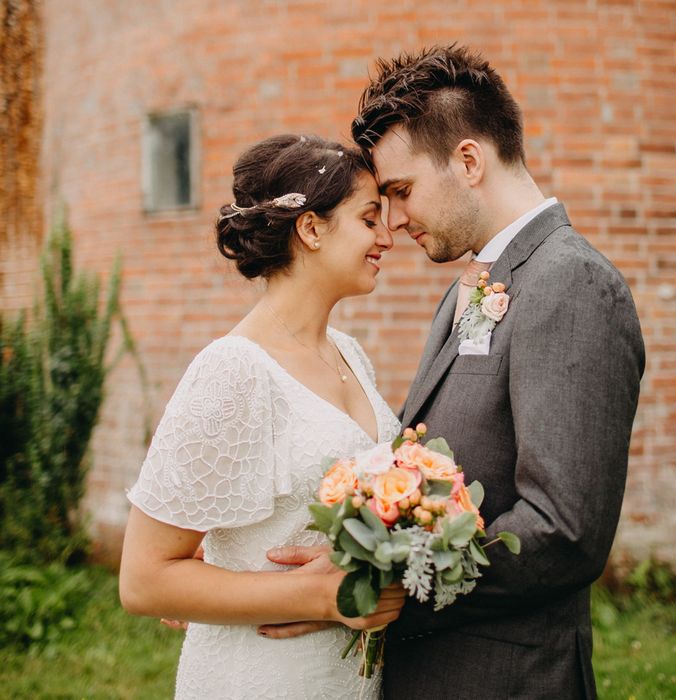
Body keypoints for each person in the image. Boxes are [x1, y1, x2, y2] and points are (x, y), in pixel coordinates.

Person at [260, 46, 645, 699]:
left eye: (401, 192)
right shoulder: (474, 285)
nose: (396, 221)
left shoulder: (573, 283)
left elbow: (565, 530)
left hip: (505, 679)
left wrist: (380, 577)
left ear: (468, 161)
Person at [119, 134, 405, 699]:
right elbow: (144, 579)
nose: (387, 238)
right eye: (370, 219)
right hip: (262, 677)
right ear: (312, 229)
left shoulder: (352, 355)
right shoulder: (233, 370)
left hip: (349, 678)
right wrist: (325, 597)